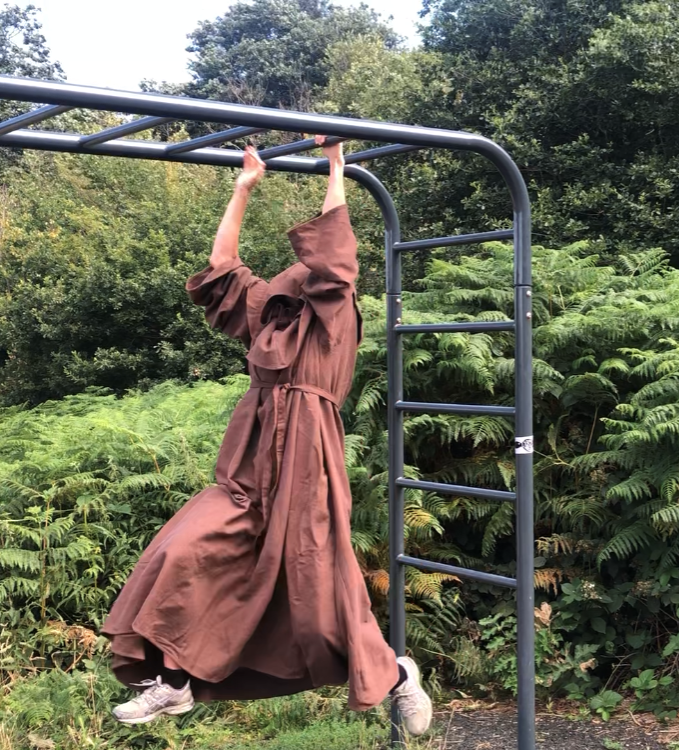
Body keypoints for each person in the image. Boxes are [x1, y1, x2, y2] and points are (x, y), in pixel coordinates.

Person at [101, 136, 432, 735]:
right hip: (248, 461)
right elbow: (221, 274)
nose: (281, 294)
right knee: (186, 547)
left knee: (315, 582)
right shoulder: (272, 317)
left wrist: (336, 168)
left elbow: (336, 254)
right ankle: (174, 682)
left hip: (309, 457)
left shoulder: (334, 313)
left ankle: (397, 676)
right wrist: (242, 187)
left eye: (295, 284)